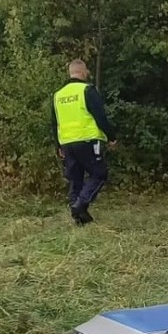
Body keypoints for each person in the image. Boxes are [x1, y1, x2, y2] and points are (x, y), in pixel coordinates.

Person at [51, 59, 117, 225]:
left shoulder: (58, 95)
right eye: (86, 71)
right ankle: (80, 204)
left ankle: (78, 217)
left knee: (76, 178)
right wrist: (111, 137)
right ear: (82, 71)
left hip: (66, 143)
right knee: (99, 173)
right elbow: (100, 116)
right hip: (87, 140)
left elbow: (55, 122)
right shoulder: (87, 90)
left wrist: (58, 145)